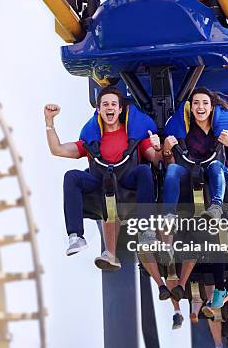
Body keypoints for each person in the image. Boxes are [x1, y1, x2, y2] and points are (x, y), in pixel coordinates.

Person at [44, 87, 162, 264]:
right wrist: (49, 122)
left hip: (127, 185)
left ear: (120, 109)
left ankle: (146, 231)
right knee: (71, 176)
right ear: (99, 110)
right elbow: (57, 149)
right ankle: (76, 236)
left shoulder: (135, 134)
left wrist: (158, 147)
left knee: (144, 171)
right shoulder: (92, 139)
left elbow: (155, 159)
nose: (109, 107)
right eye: (105, 104)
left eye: (113, 104)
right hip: (101, 186)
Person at [160, 87, 228, 304]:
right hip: (188, 174)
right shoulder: (185, 129)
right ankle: (169, 216)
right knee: (172, 171)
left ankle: (216, 208)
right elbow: (167, 162)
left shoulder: (224, 130)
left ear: (212, 108)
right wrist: (166, 149)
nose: (200, 107)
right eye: (197, 103)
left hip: (215, 178)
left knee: (217, 166)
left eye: (205, 103)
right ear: (191, 108)